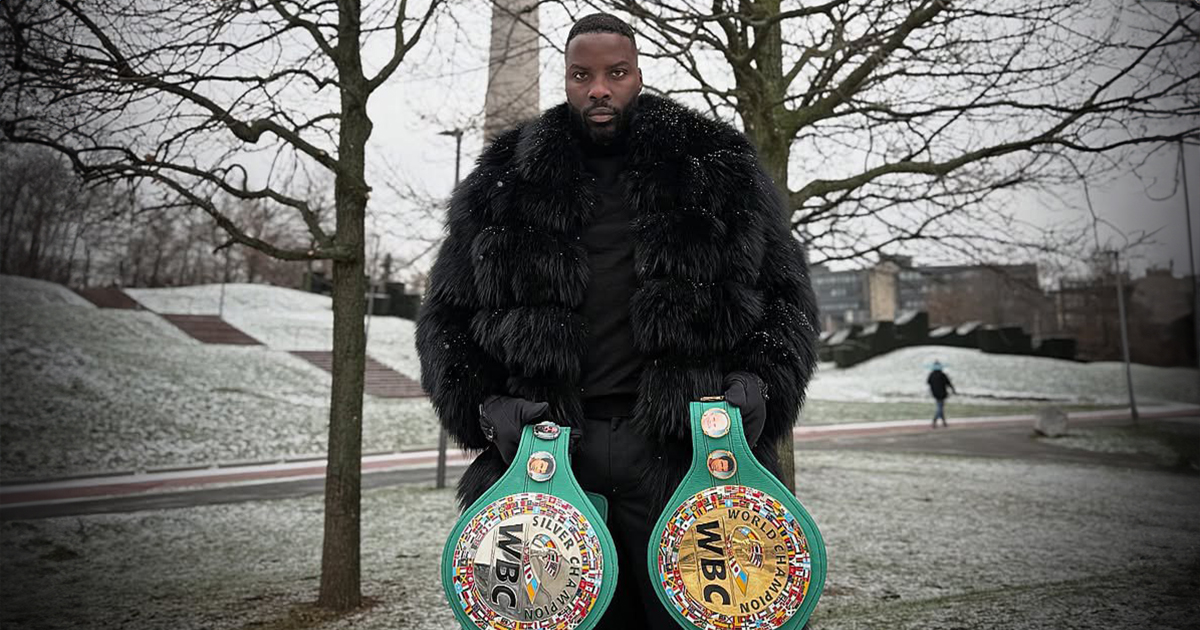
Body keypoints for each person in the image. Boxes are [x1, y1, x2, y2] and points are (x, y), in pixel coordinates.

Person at [416, 12, 819, 626]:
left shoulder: (715, 167)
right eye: (582, 75)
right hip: (545, 456)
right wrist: (482, 407)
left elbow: (787, 301)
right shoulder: (502, 182)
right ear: (567, 81)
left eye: (615, 73)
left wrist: (763, 386)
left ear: (638, 75)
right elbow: (447, 319)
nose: (598, 88)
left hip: (688, 453)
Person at [927, 361, 956, 427]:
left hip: (935, 393)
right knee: (940, 407)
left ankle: (944, 422)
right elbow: (949, 383)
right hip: (942, 393)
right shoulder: (942, 375)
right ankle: (934, 421)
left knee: (940, 407)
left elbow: (928, 383)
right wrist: (953, 390)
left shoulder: (931, 375)